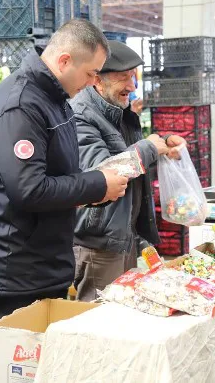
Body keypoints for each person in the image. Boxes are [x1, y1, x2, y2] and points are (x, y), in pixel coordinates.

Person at [0, 19, 130, 321]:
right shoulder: (20, 107)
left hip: (44, 261)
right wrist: (96, 184)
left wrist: (90, 193)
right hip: (18, 270)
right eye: (90, 73)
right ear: (65, 61)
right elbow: (29, 190)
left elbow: (56, 173)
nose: (92, 83)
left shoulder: (54, 100)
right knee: (23, 350)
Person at [70, 40, 187, 301]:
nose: (132, 86)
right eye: (124, 77)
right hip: (98, 243)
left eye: (133, 77)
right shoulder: (81, 117)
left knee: (122, 311)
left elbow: (127, 157)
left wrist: (162, 146)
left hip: (124, 235)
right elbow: (102, 175)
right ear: (97, 80)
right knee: (99, 316)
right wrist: (149, 148)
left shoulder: (118, 111)